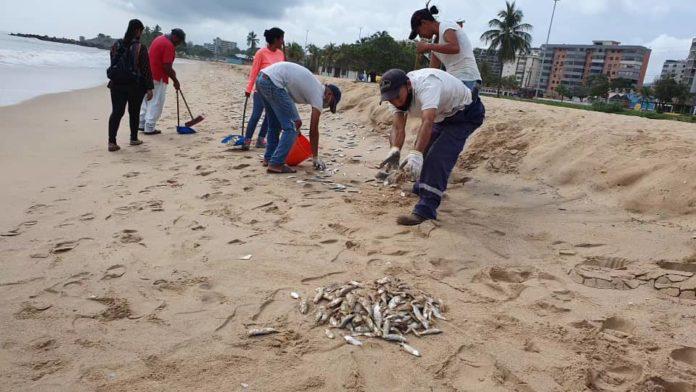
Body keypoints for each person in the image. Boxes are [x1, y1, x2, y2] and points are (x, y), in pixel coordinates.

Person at [378, 68, 485, 226]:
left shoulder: (427, 85)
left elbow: (427, 121)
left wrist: (416, 153)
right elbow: (398, 127)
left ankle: (426, 209)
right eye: (390, 99)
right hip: (442, 116)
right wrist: (395, 150)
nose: (394, 102)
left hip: (466, 114)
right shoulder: (394, 98)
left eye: (397, 97)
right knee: (425, 150)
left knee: (438, 157)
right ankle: (420, 187)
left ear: (408, 85)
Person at [255, 61, 342, 174]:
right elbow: (313, 129)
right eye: (330, 104)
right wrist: (315, 157)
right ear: (329, 94)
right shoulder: (318, 94)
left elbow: (286, 99)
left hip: (262, 79)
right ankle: (276, 163)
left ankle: (269, 157)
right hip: (273, 82)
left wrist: (294, 119)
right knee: (292, 127)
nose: (326, 106)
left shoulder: (313, 86)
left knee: (274, 124)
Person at [106, 19, 154, 152]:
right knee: (134, 112)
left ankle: (111, 141)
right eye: (141, 31)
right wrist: (150, 88)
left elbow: (113, 63)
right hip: (135, 86)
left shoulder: (116, 45)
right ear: (138, 30)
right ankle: (133, 138)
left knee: (117, 112)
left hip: (116, 84)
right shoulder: (140, 48)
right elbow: (145, 69)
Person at [408, 5, 482, 89]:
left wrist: (427, 46)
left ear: (424, 23)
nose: (420, 36)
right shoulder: (435, 44)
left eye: (419, 31)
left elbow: (454, 47)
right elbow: (433, 71)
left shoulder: (446, 25)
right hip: (455, 80)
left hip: (468, 78)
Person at [242, 27, 286, 151]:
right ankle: (247, 140)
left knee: (270, 116)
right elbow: (254, 72)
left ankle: (261, 139)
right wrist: (248, 89)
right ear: (275, 39)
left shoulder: (281, 54)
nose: (283, 42)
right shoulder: (261, 53)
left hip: (275, 91)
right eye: (281, 39)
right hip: (260, 91)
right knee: (256, 115)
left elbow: (282, 73)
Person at [138, 28, 186, 135]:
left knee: (146, 100)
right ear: (175, 37)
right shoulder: (168, 45)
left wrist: (173, 74)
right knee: (156, 102)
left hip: (147, 74)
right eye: (179, 42)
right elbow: (166, 66)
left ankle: (141, 124)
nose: (178, 45)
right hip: (158, 77)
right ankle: (149, 127)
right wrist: (175, 81)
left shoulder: (159, 38)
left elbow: (162, 62)